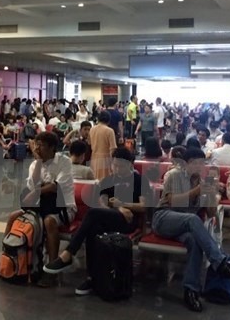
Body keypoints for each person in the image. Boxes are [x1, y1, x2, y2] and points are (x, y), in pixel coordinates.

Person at [44, 148, 151, 295]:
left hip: (128, 221)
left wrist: (123, 205)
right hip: (111, 216)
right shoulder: (108, 180)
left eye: (121, 166)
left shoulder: (140, 180)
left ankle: (69, 254)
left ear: (131, 164)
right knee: (93, 229)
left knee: (92, 214)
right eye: (115, 165)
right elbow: (102, 202)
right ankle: (92, 278)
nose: (117, 169)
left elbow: (143, 206)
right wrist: (118, 208)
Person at [152, 148, 230, 312]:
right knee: (193, 219)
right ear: (187, 164)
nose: (201, 167)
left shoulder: (202, 182)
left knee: (195, 241)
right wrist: (197, 191)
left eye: (203, 164)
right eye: (197, 163)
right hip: (164, 218)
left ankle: (191, 290)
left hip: (186, 226)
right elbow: (171, 201)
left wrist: (210, 196)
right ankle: (220, 261)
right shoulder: (175, 175)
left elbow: (210, 214)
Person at [10, 132, 76, 287]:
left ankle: (52, 270)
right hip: (41, 207)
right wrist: (38, 163)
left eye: (41, 145)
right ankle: (10, 261)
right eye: (36, 144)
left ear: (52, 147)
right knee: (14, 216)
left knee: (49, 221)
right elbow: (32, 185)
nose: (37, 148)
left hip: (64, 207)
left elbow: (55, 186)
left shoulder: (64, 162)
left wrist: (38, 191)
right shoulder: (35, 164)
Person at [89, 110, 117, 180]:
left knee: (95, 179)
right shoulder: (109, 131)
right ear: (108, 119)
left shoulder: (92, 129)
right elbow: (113, 148)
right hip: (105, 158)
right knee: (105, 181)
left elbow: (89, 143)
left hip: (94, 157)